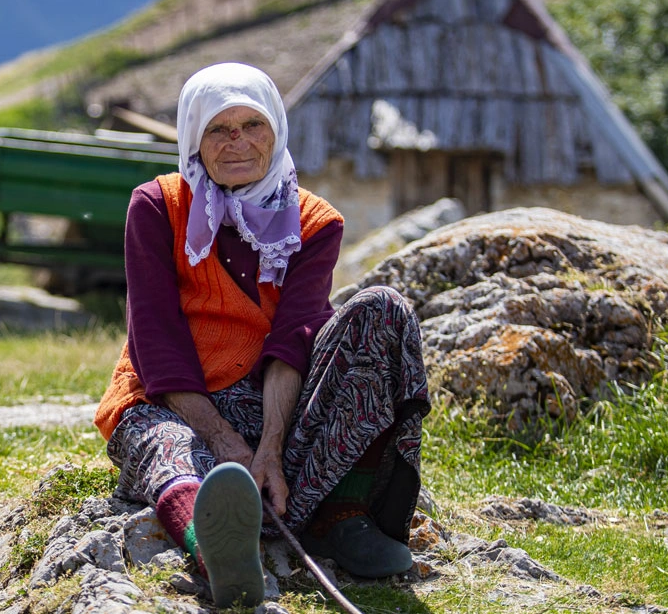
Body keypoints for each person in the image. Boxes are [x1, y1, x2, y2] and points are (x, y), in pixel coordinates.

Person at [94, 62, 431, 607]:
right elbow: (157, 342)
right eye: (218, 129)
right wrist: (223, 440)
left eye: (253, 125)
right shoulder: (157, 206)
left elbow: (293, 338)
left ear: (276, 130)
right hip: (171, 400)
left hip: (275, 398)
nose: (238, 142)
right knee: (172, 452)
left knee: (382, 308)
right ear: (193, 138)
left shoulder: (316, 222)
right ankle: (220, 551)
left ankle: (340, 514)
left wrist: (270, 447)